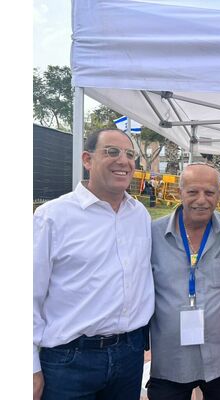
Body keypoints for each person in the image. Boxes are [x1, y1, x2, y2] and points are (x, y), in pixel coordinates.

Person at [33, 128, 154, 400]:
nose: (123, 161)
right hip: (70, 360)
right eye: (112, 152)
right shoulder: (52, 217)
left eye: (130, 154)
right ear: (87, 159)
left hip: (129, 354)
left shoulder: (140, 215)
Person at [146, 163, 220, 400]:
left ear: (219, 195)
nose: (201, 200)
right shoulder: (151, 234)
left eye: (209, 192)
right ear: (180, 192)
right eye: (192, 192)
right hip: (170, 359)